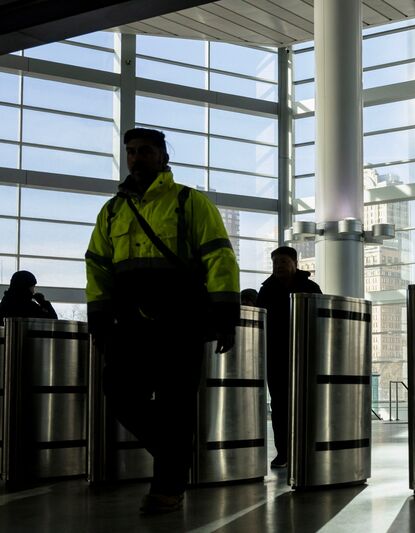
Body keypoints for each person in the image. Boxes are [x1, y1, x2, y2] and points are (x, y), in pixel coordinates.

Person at [85, 128, 240, 514]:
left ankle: (167, 487)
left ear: (162, 156)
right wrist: (100, 318)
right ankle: (176, 458)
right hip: (130, 323)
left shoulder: (189, 202)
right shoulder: (112, 210)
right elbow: (98, 266)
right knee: (119, 395)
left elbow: (220, 258)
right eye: (131, 152)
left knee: (176, 404)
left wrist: (224, 315)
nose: (136, 158)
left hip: (181, 322)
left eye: (145, 151)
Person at [256, 246, 321, 468]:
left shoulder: (310, 288)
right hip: (275, 357)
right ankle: (283, 452)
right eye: (275, 262)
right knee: (280, 405)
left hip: (304, 355)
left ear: (295, 263)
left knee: (307, 402)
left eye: (283, 261)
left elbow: (319, 320)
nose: (278, 266)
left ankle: (307, 447)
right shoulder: (266, 290)